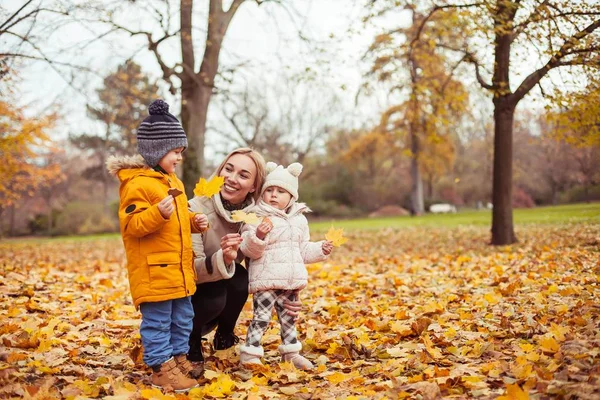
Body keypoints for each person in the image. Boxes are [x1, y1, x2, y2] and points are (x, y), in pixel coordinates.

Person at [107, 99, 208, 392]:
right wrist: (157, 214)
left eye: (181, 152)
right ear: (157, 150)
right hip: (155, 271)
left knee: (182, 318)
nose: (179, 158)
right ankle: (161, 368)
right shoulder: (136, 184)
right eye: (175, 152)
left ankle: (177, 358)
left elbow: (177, 217)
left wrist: (192, 221)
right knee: (159, 322)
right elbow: (132, 225)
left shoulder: (170, 180)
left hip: (176, 269)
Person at [187, 148, 302, 369]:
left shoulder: (256, 216)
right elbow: (190, 269)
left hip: (224, 280)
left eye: (243, 175)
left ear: (255, 186)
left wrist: (290, 294)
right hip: (192, 291)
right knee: (217, 292)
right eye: (228, 170)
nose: (231, 178)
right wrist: (224, 258)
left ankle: (225, 336)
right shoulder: (196, 209)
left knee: (241, 278)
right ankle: (190, 339)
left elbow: (266, 265)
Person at [238, 162, 334, 370]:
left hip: (291, 281)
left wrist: (321, 249)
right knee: (261, 318)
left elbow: (303, 250)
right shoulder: (255, 216)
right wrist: (260, 235)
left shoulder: (299, 220)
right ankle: (251, 353)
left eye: (280, 191)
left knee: (289, 318)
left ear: (291, 196)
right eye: (269, 190)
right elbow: (249, 250)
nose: (273, 195)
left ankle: (291, 353)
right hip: (266, 280)